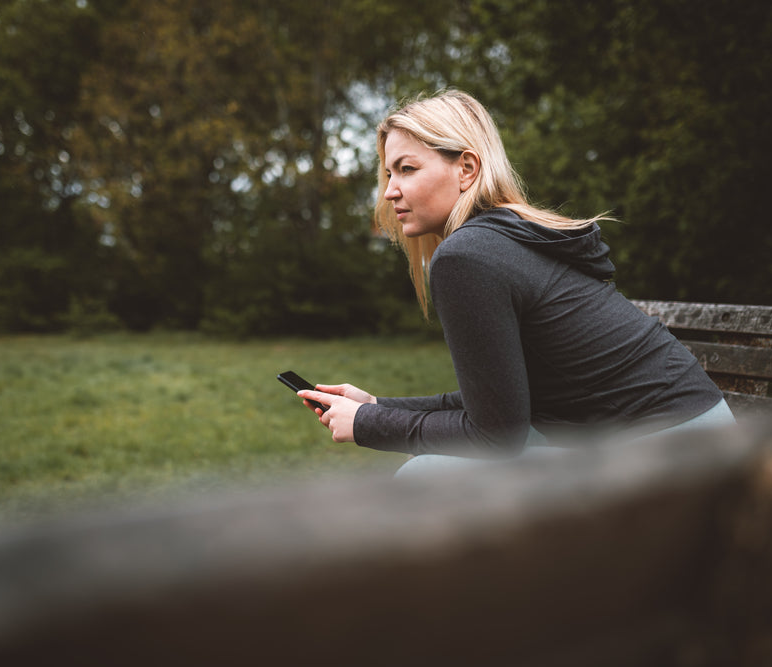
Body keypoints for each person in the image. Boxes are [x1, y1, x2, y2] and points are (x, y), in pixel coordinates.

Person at [297, 89, 734, 475]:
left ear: (466, 169)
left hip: (676, 455)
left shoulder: (467, 256)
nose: (390, 190)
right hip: (694, 437)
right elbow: (496, 404)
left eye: (407, 169)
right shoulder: (504, 239)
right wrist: (377, 407)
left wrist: (368, 425)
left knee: (426, 477)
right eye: (389, 173)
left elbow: (495, 437)